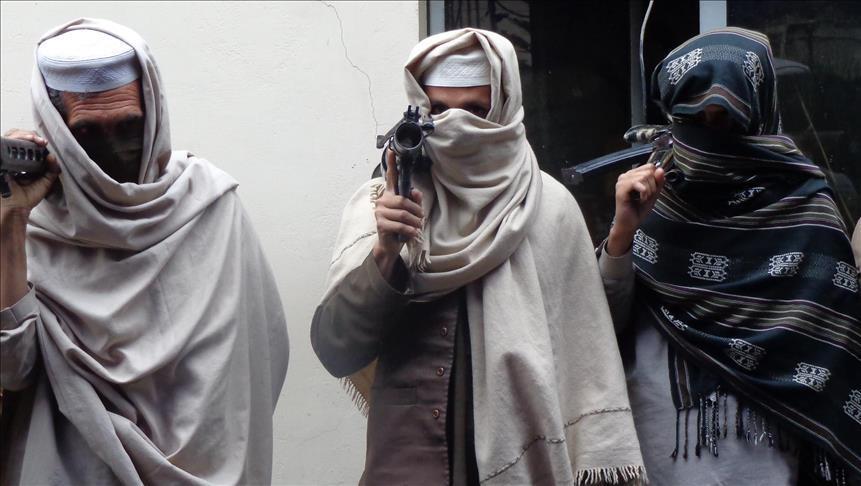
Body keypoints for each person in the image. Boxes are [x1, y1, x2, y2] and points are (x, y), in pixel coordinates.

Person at [312, 28, 645, 486]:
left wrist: (620, 239)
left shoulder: (549, 208)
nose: (456, 126)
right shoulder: (384, 202)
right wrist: (386, 250)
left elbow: (587, 335)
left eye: (474, 111)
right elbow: (336, 348)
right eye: (439, 111)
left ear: (503, 108)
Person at [0, 18, 289, 484]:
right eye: (87, 133)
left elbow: (255, 372)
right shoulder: (27, 221)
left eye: (129, 127)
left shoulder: (210, 207)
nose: (114, 150)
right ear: (55, 129)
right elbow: (12, 370)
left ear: (153, 113)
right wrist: (12, 224)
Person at [599, 27, 861, 485]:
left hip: (767, 455)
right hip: (661, 445)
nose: (708, 139)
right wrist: (622, 234)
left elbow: (833, 346)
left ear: (758, 115)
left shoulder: (806, 210)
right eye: (693, 120)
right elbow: (601, 325)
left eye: (724, 121)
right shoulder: (655, 203)